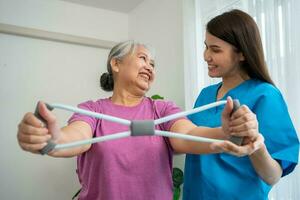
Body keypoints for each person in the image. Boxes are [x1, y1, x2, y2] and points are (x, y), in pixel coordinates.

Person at [17, 40, 261, 200]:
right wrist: (53, 139)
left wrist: (224, 131)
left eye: (153, 64)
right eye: (143, 59)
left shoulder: (162, 109)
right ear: (116, 64)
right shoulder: (91, 110)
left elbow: (188, 134)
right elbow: (75, 137)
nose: (150, 68)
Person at [183, 9, 299, 200]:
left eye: (215, 49)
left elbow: (272, 175)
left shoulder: (265, 95)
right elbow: (187, 141)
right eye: (206, 47)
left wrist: (254, 143)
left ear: (242, 53)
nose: (206, 56)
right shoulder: (205, 96)